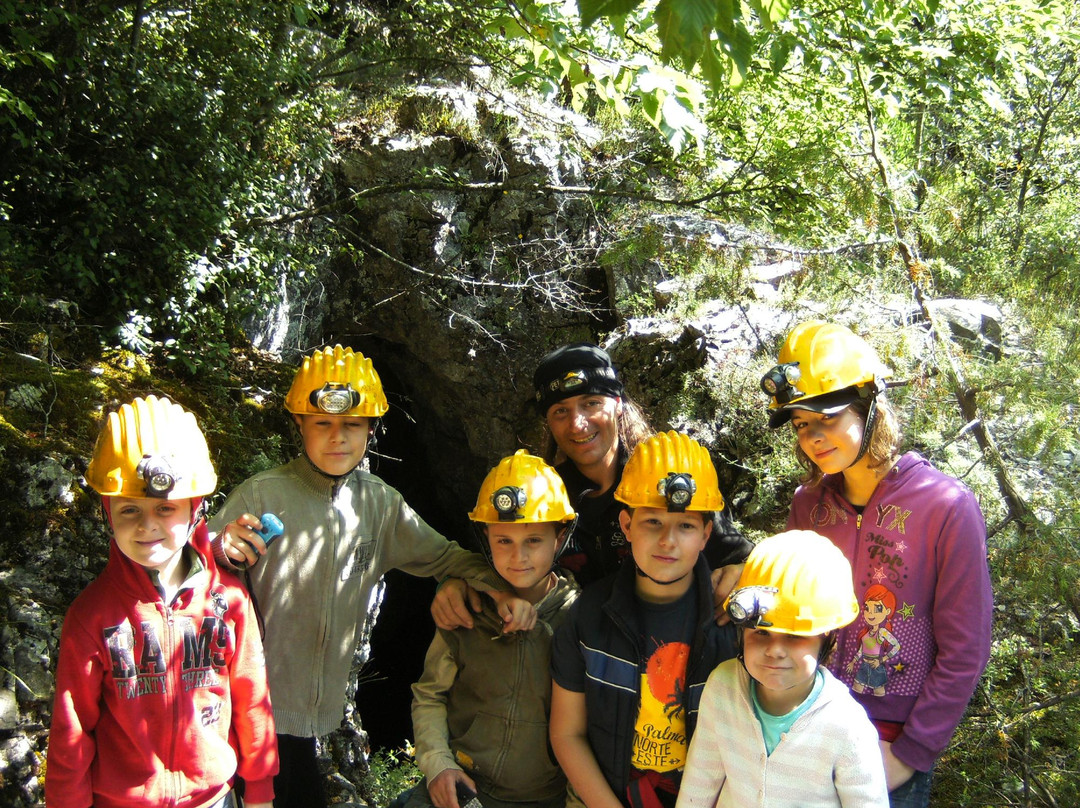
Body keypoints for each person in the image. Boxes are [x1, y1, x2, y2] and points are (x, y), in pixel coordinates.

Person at [209, 345, 529, 808]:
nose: (337, 438)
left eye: (352, 425)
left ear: (372, 428)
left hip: (311, 724)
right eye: (322, 424)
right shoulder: (262, 494)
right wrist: (220, 548)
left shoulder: (379, 504)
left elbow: (446, 557)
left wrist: (487, 587)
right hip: (248, 710)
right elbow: (192, 568)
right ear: (298, 423)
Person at [761, 320, 993, 807]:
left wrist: (912, 752)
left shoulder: (946, 505)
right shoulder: (808, 505)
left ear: (870, 405)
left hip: (890, 740)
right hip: (805, 725)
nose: (813, 436)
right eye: (801, 424)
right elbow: (789, 616)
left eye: (827, 417)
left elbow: (966, 647)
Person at [45, 395, 277, 808]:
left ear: (195, 509)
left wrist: (259, 792)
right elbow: (72, 730)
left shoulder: (229, 601)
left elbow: (252, 701)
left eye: (165, 508)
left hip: (212, 800)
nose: (147, 525)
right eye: (129, 510)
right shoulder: (92, 615)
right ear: (107, 512)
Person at [432, 343, 753, 631]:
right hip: (573, 660)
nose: (577, 423)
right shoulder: (543, 496)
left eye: (591, 403)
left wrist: (743, 571)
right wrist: (458, 582)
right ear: (548, 422)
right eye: (561, 411)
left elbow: (743, 555)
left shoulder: (665, 480)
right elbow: (498, 555)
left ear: (617, 404)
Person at [548, 431, 740, 808]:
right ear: (626, 525)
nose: (668, 540)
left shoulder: (732, 625)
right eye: (652, 521)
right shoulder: (588, 615)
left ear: (706, 534)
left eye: (685, 525)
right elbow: (567, 733)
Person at [407, 450, 580, 808]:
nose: (519, 557)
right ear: (486, 538)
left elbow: (593, 730)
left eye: (533, 540)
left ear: (560, 537)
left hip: (543, 799)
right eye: (504, 541)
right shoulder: (467, 610)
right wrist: (438, 764)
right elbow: (430, 695)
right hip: (465, 786)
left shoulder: (579, 620)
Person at [676, 530, 890, 808]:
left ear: (827, 638)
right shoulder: (722, 687)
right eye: (761, 633)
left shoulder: (847, 725)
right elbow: (700, 779)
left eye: (794, 636)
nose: (775, 650)